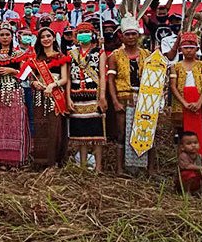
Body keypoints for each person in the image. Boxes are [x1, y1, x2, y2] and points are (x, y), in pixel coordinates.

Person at [107, 16, 153, 176]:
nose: (131, 37)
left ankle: (149, 169)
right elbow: (111, 81)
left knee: (147, 132)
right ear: (122, 36)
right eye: (128, 34)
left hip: (144, 98)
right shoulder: (115, 56)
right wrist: (114, 101)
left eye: (134, 34)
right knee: (122, 133)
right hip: (123, 96)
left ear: (138, 35)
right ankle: (121, 169)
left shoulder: (147, 55)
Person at [0, 24, 32, 168]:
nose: (5, 37)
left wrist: (11, 70)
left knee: (14, 124)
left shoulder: (19, 54)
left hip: (15, 91)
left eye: (7, 35)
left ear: (12, 37)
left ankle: (15, 160)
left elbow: (26, 75)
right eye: (2, 35)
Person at [66, 22, 108, 172]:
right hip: (76, 95)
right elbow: (69, 78)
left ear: (92, 34)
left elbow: (103, 76)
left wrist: (102, 96)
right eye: (80, 32)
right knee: (81, 133)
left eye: (86, 32)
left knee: (96, 133)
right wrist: (68, 98)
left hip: (94, 94)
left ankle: (98, 166)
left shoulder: (99, 52)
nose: (84, 35)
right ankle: (83, 165)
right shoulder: (71, 54)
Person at [28, 27, 70, 167]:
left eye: (48, 36)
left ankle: (54, 161)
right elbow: (31, 78)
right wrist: (34, 82)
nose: (46, 39)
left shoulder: (60, 56)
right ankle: (40, 161)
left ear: (53, 38)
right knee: (40, 125)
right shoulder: (36, 59)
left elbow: (65, 78)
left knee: (54, 126)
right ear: (39, 40)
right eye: (42, 37)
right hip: (40, 95)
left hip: (55, 95)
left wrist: (52, 85)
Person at [169, 32, 202, 164]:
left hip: (200, 102)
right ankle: (182, 166)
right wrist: (184, 103)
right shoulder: (175, 66)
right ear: (180, 49)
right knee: (182, 137)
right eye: (185, 47)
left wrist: (199, 102)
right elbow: (173, 86)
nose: (188, 50)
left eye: (191, 47)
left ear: (197, 49)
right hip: (182, 103)